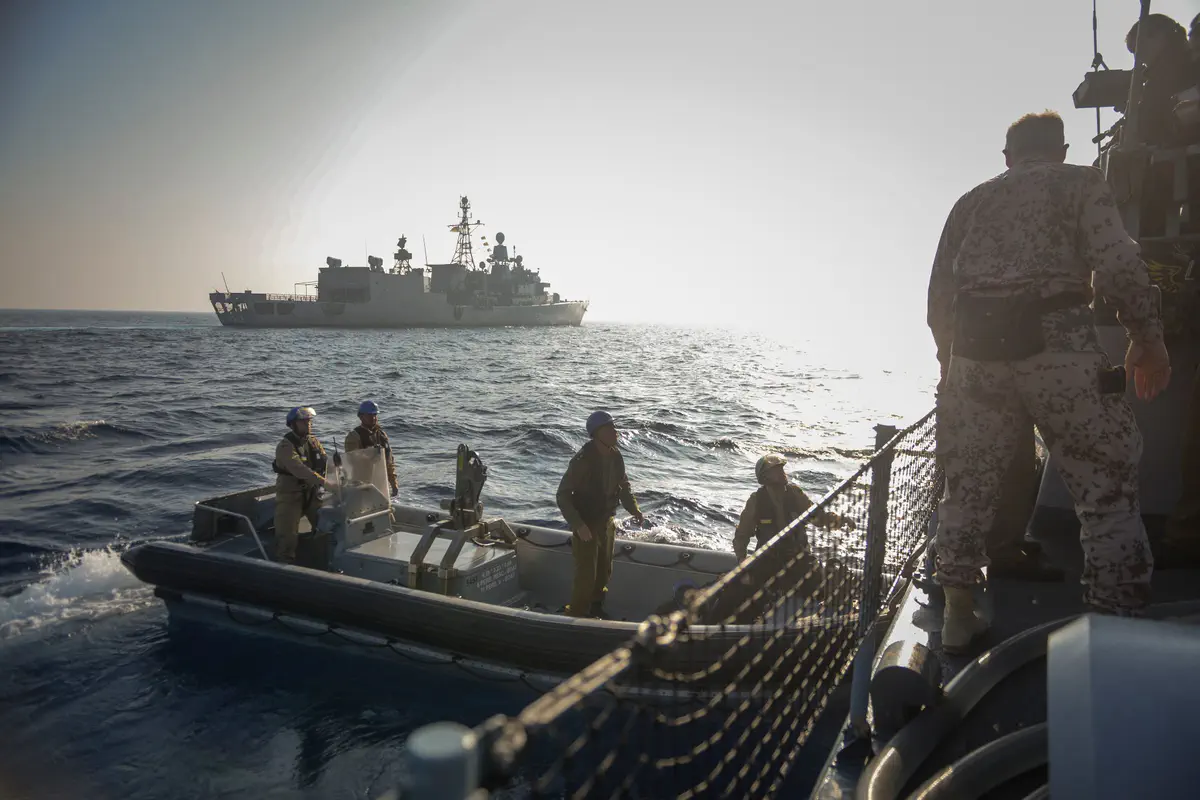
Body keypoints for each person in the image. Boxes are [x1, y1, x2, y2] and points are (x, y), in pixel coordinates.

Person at [927, 111, 1171, 653]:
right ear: (1061, 150)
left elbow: (940, 294)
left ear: (1007, 156)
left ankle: (959, 615)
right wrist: (1147, 338)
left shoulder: (970, 201)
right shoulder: (1081, 182)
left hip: (976, 356)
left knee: (967, 489)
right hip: (1059, 352)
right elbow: (1118, 264)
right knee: (1104, 487)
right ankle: (1115, 625)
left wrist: (951, 365)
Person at [555, 410, 644, 618]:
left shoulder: (615, 456)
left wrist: (634, 510)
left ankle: (596, 608)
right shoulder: (583, 460)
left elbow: (623, 487)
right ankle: (576, 613)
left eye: (614, 427)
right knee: (586, 574)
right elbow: (563, 495)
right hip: (586, 523)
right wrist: (578, 525)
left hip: (606, 522)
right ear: (598, 433)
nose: (615, 432)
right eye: (610, 428)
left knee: (604, 571)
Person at [272, 406, 329, 564]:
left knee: (325, 525)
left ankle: (322, 560)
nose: (308, 424)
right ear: (293, 424)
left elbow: (324, 460)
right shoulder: (285, 446)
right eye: (304, 422)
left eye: (309, 421)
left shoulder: (313, 441)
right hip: (290, 495)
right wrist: (324, 482)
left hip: (311, 492)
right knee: (287, 536)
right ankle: (284, 565)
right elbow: (299, 469)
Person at [344, 400, 398, 497]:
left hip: (381, 483)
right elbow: (352, 459)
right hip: (362, 484)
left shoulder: (382, 435)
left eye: (375, 415)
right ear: (361, 417)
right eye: (369, 415)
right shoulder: (354, 436)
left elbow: (389, 462)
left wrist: (394, 484)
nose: (373, 418)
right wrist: (370, 457)